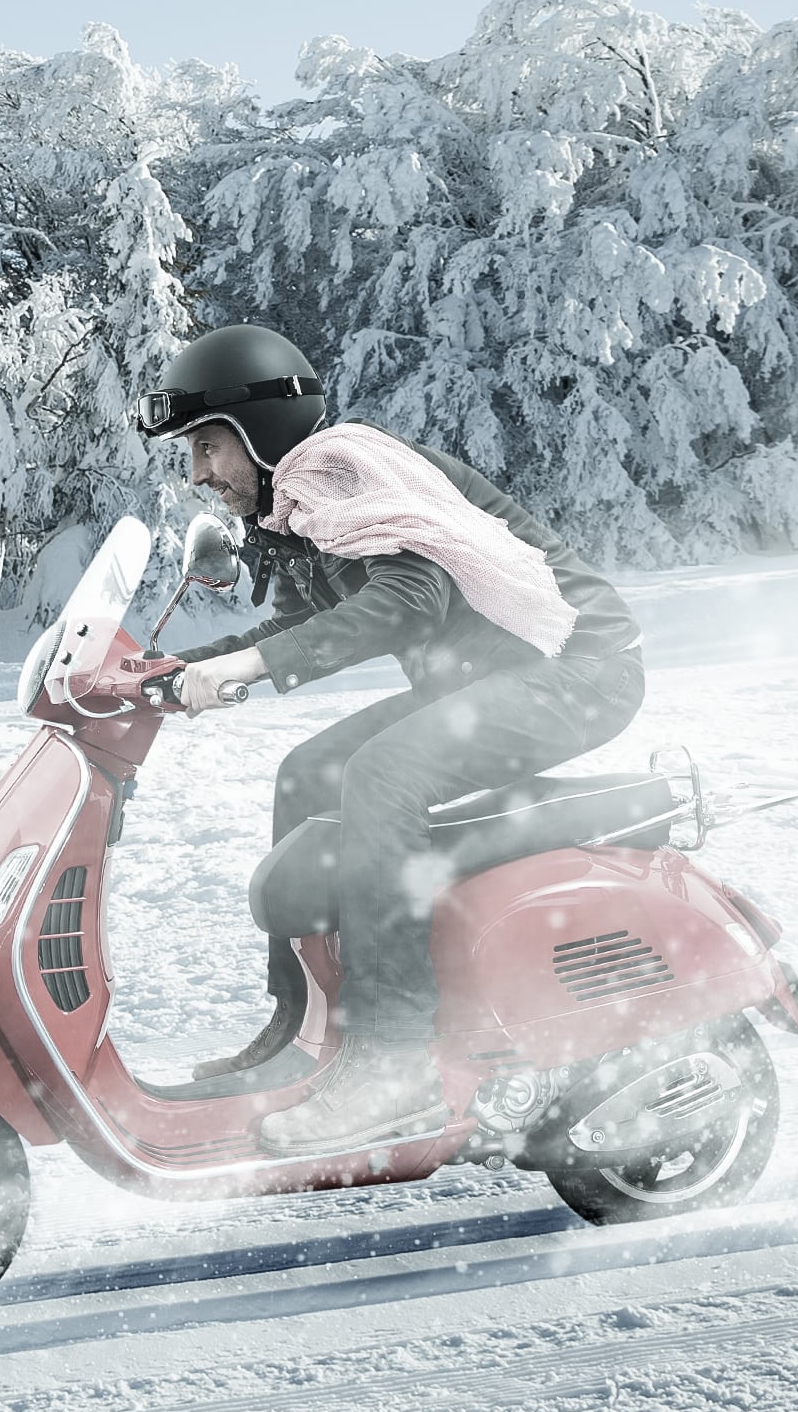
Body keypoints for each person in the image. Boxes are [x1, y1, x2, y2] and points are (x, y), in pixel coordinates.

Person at [141, 324, 648, 1155]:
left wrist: (253, 666)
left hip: (578, 666)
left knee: (380, 775)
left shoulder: (336, 470)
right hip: (495, 676)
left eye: (206, 445)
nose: (199, 474)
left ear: (257, 430)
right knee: (312, 773)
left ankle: (395, 1063)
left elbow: (411, 598)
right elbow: (320, 615)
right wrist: (170, 669)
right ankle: (304, 1028)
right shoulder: (307, 497)